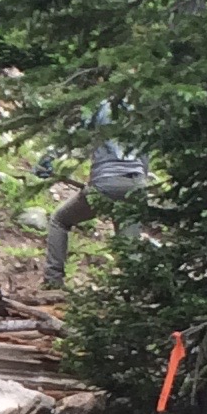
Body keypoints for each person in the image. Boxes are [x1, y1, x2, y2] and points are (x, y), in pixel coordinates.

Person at [44, 108, 148, 287]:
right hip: (136, 186)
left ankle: (53, 280)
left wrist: (46, 160)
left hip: (104, 185)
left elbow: (72, 136)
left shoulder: (100, 106)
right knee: (129, 247)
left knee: (59, 220)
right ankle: (135, 294)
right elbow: (145, 158)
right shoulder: (139, 110)